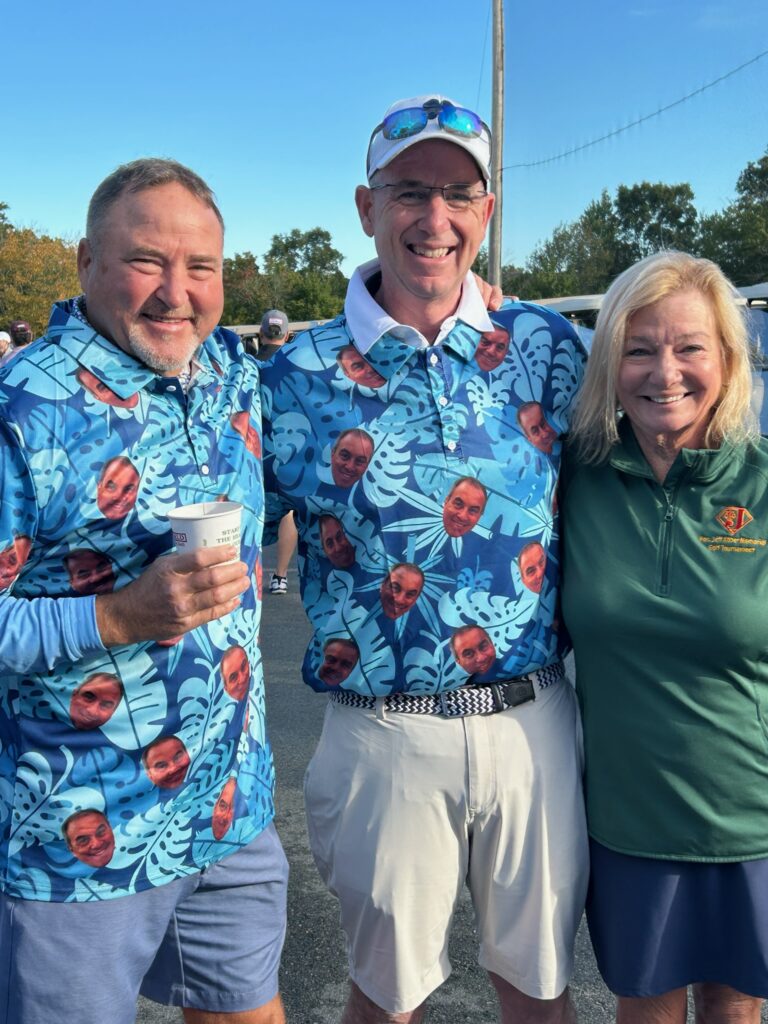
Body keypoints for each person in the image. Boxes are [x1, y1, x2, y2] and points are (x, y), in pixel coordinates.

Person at [262, 94, 588, 1023]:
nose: (433, 217)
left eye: (458, 194)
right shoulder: (294, 374)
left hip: (534, 723)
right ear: (367, 207)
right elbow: (227, 536)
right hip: (384, 734)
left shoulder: (546, 347)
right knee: (384, 1001)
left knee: (542, 995)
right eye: (410, 191)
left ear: (487, 211)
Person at [0, 158, 286, 1024]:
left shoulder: (229, 375)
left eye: (201, 267)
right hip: (78, 838)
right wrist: (118, 616)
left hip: (228, 813)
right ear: (87, 261)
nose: (176, 293)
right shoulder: (23, 408)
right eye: (146, 261)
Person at [562, 251, 767, 1024]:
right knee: (644, 1008)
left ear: (728, 359)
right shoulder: (576, 477)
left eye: (690, 348)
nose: (665, 372)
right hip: (628, 821)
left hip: (752, 818)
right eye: (639, 349)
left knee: (733, 1008)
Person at [254, 310, 298, 596]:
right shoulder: (295, 367)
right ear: (288, 335)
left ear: (260, 334)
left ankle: (250, 573)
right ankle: (280, 577)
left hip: (253, 449)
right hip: (284, 451)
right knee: (287, 514)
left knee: (249, 513)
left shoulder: (248, 366)